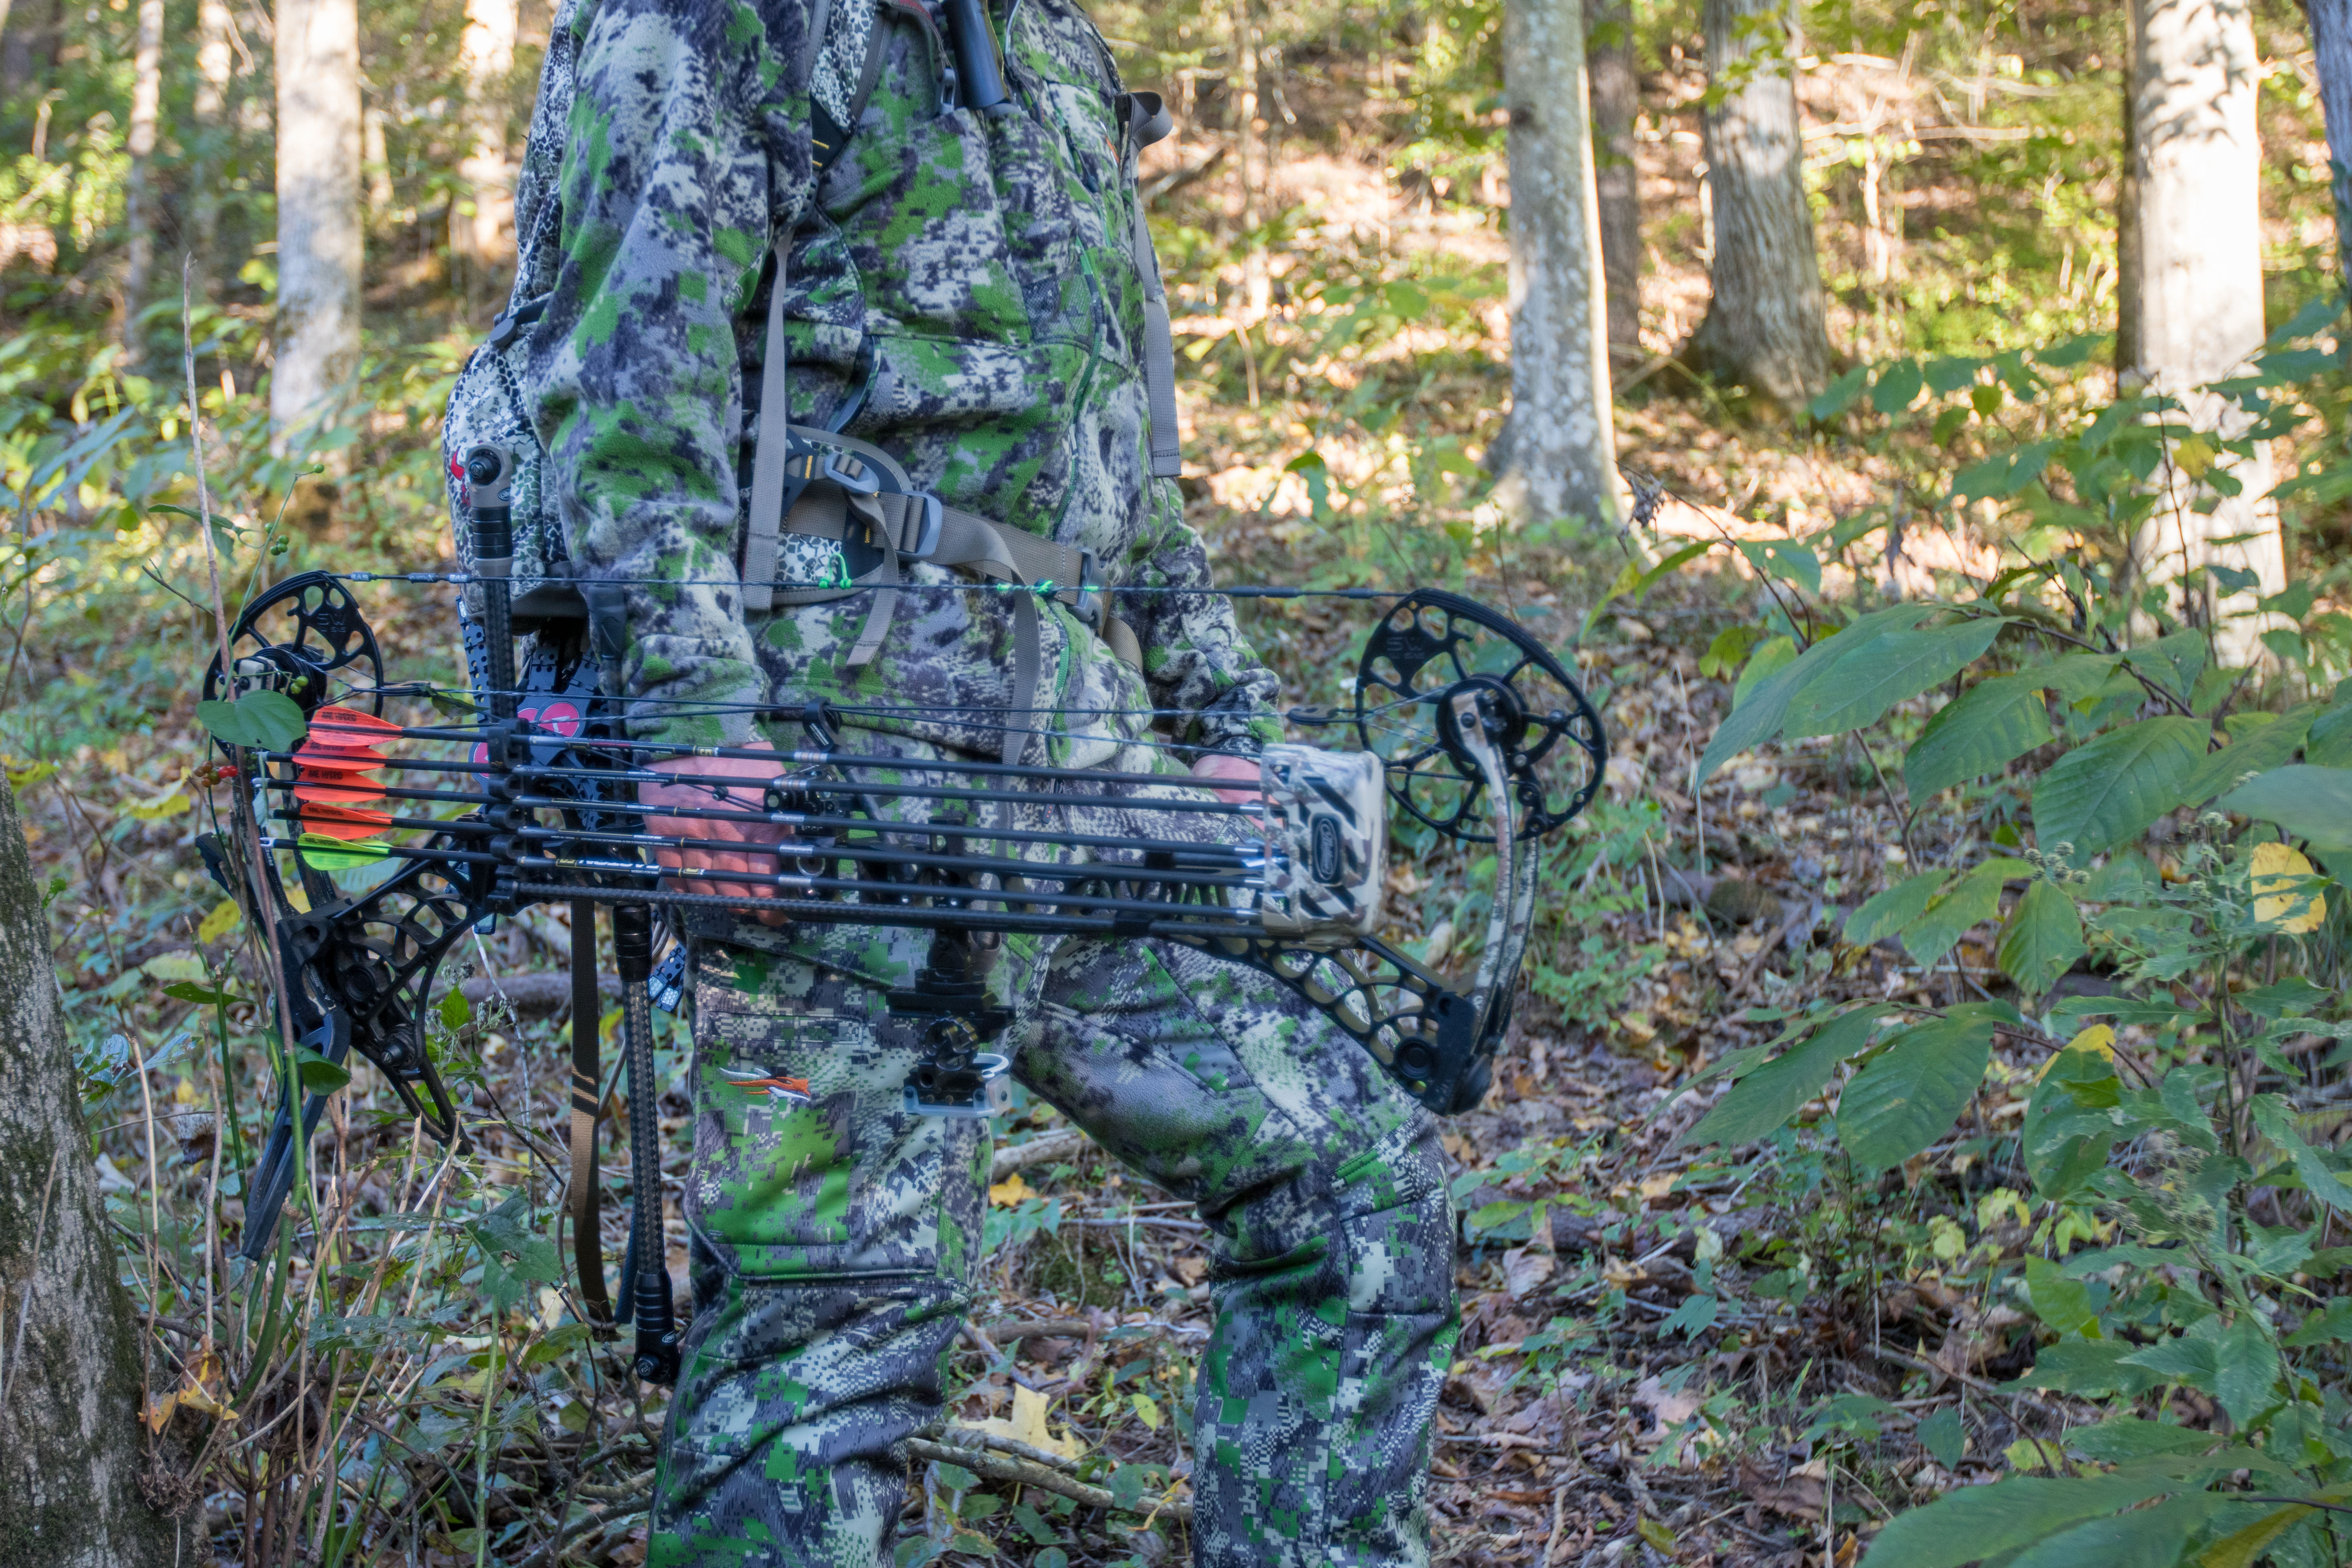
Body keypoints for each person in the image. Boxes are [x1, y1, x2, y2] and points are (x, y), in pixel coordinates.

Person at [521, 0, 1456, 1561]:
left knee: (1353, 1189)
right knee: (828, 1339)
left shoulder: (1051, 43)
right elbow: (623, 400)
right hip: (837, 800)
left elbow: (1116, 465)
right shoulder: (712, 24)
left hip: (1087, 787)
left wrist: (1216, 713)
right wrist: (698, 735)